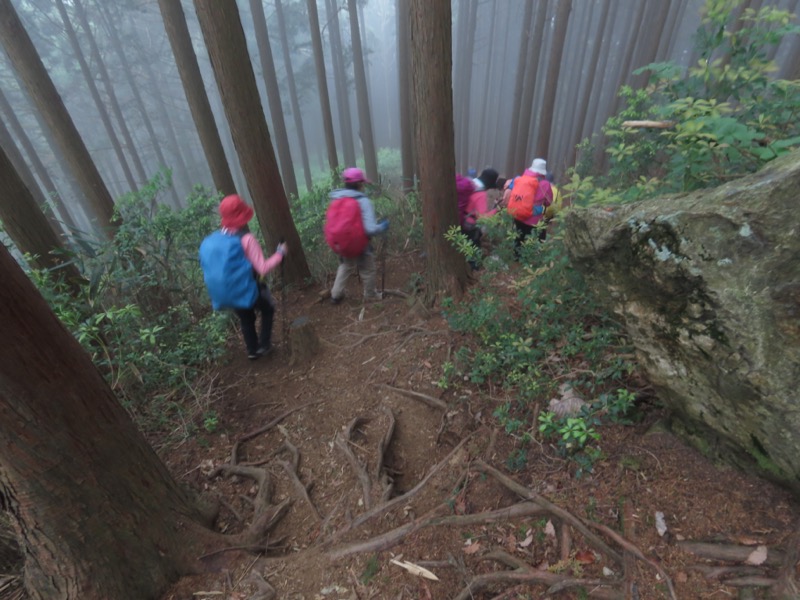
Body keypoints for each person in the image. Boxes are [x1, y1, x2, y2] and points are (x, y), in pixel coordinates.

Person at [217, 194, 287, 360]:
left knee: (246, 317)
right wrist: (280, 254)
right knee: (267, 309)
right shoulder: (247, 239)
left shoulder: (221, 237)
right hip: (250, 286)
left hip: (230, 289)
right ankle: (264, 345)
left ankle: (252, 350)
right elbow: (262, 268)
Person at [329, 167, 389, 304]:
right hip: (360, 243)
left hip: (341, 243)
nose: (363, 185)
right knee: (368, 268)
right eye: (362, 183)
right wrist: (383, 226)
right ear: (359, 184)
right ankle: (370, 295)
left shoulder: (336, 198)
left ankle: (335, 295)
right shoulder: (363, 201)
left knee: (345, 266)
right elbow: (370, 229)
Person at [510, 157, 553, 252]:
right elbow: (548, 202)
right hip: (534, 218)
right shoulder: (545, 184)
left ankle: (517, 258)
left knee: (519, 237)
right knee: (535, 239)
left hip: (518, 213)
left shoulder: (521, 179)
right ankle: (531, 260)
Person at [462, 168, 499, 268]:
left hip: (461, 219)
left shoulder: (471, 185)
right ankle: (473, 268)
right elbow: (483, 218)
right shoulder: (481, 195)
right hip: (470, 226)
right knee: (473, 248)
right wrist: (497, 210)